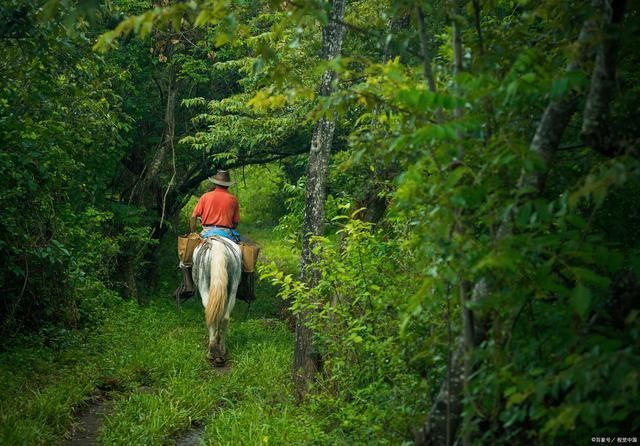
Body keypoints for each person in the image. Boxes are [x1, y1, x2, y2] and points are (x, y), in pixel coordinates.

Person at [190, 170, 241, 243]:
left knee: (191, 249)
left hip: (207, 231)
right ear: (228, 185)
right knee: (240, 249)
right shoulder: (233, 199)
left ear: (215, 184)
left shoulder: (205, 196)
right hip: (226, 232)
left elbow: (193, 217)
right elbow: (235, 222)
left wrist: (193, 232)